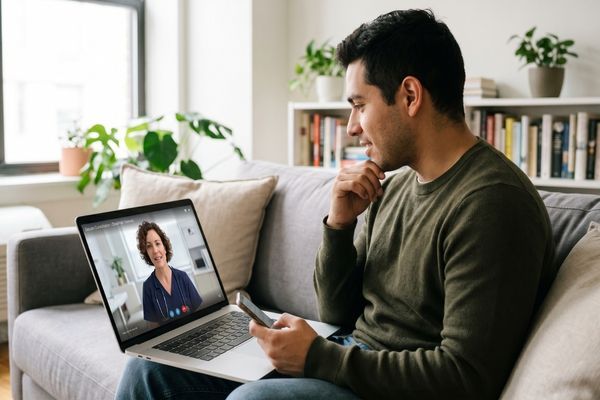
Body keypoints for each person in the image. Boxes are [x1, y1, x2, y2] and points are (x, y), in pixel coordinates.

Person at [116, 9, 555, 399]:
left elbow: (464, 377)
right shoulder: (394, 187)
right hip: (350, 363)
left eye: (359, 106)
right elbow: (337, 314)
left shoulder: (492, 204)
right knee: (149, 374)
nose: (350, 128)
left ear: (410, 96)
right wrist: (339, 226)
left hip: (391, 388)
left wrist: (319, 358)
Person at [138, 221, 203, 323]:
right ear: (146, 253)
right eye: (149, 246)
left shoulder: (182, 277)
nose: (155, 250)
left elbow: (200, 313)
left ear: (164, 247)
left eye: (157, 243)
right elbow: (152, 327)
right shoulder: (148, 287)